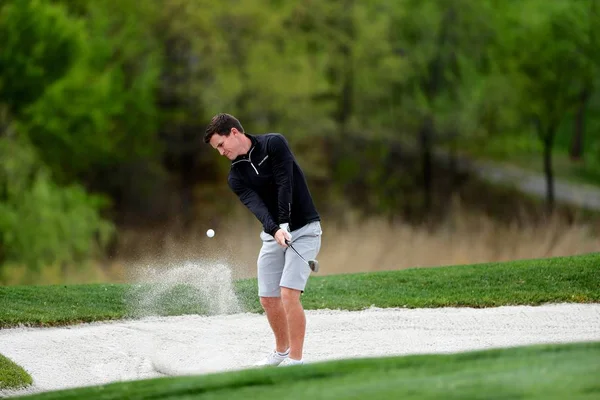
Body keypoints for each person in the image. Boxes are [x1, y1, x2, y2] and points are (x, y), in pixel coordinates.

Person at [204, 113, 322, 367]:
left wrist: (284, 223)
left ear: (234, 132)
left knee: (289, 294)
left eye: (221, 145)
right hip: (273, 236)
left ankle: (296, 360)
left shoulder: (273, 144)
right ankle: (281, 351)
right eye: (217, 149)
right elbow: (257, 207)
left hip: (305, 229)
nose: (221, 153)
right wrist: (275, 230)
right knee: (268, 298)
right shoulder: (235, 176)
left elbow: (284, 183)